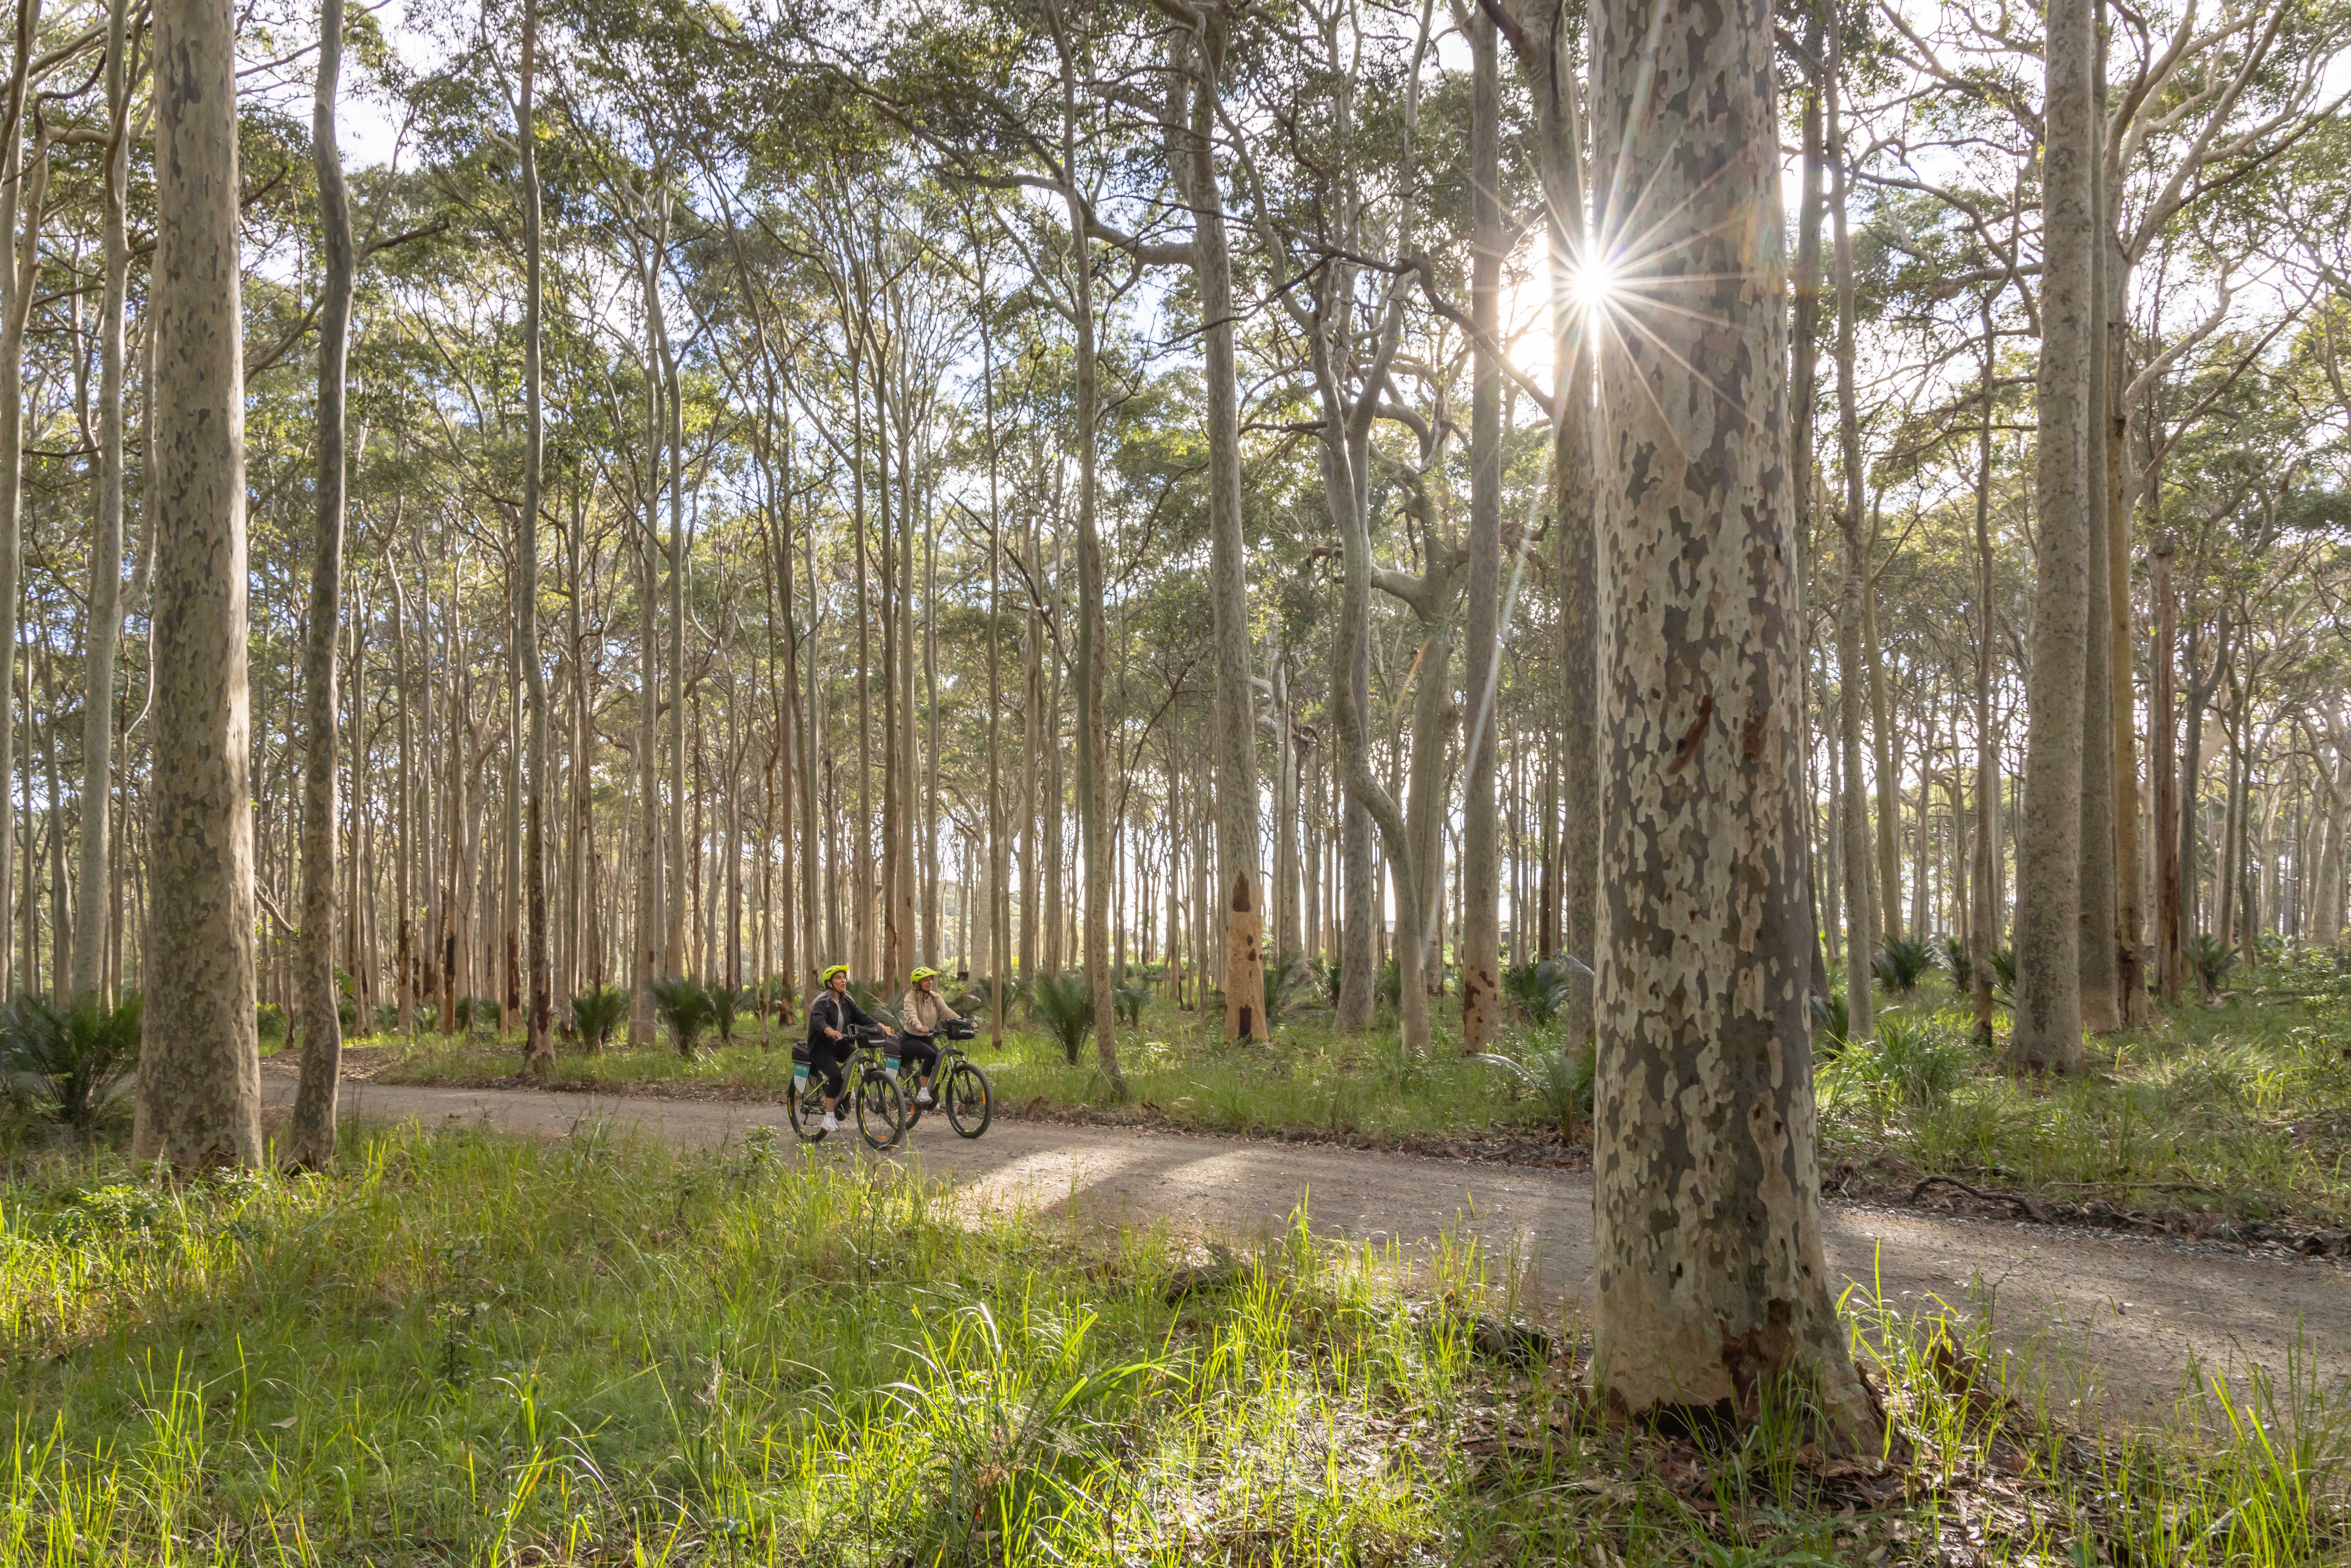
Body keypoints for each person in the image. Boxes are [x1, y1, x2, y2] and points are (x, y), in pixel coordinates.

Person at [806, 963, 890, 1133]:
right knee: (836, 1075)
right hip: (821, 1047)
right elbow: (817, 1020)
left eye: (844, 977)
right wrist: (829, 1030)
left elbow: (862, 1017)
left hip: (841, 1044)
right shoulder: (823, 1003)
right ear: (830, 984)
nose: (843, 981)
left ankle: (845, 1090)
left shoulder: (848, 1001)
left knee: (858, 1055)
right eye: (838, 978)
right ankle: (829, 1117)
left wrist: (880, 1025)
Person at [897, 967, 964, 1107]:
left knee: (942, 1061)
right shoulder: (911, 997)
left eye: (931, 979)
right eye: (926, 980)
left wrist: (965, 1022)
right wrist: (919, 1026)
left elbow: (948, 1012)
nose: (930, 982)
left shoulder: (935, 998)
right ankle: (923, 1091)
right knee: (931, 1055)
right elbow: (911, 1014)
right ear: (918, 983)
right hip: (910, 1038)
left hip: (927, 1038)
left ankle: (932, 1093)